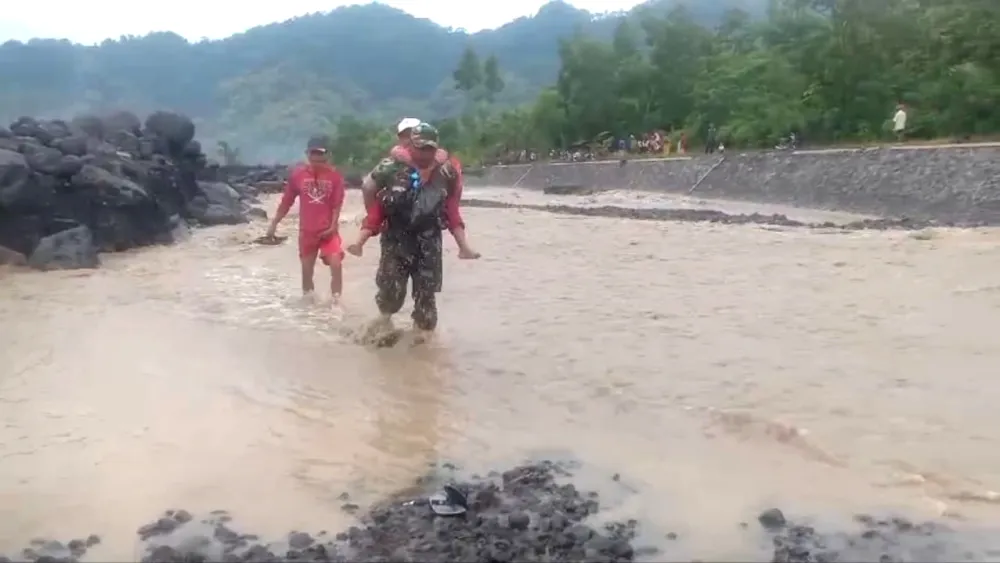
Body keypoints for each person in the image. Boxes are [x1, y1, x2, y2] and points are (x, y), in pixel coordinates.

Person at [346, 122, 479, 336]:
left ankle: (423, 345)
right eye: (420, 148)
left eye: (429, 148)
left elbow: (452, 211)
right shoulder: (393, 169)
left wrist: (464, 246)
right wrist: (365, 236)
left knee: (426, 297)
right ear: (411, 146)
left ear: (436, 149)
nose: (424, 153)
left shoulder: (446, 172)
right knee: (391, 292)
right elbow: (374, 203)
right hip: (396, 237)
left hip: (428, 240)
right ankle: (383, 322)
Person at [265, 135, 346, 302]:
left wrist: (333, 226)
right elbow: (286, 202)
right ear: (307, 154)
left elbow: (337, 204)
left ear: (328, 155)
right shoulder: (298, 175)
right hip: (307, 232)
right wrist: (274, 223)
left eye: (320, 153)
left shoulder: (335, 177)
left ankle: (336, 302)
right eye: (313, 153)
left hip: (328, 231)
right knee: (307, 272)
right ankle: (309, 311)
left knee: (336, 264)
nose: (317, 157)